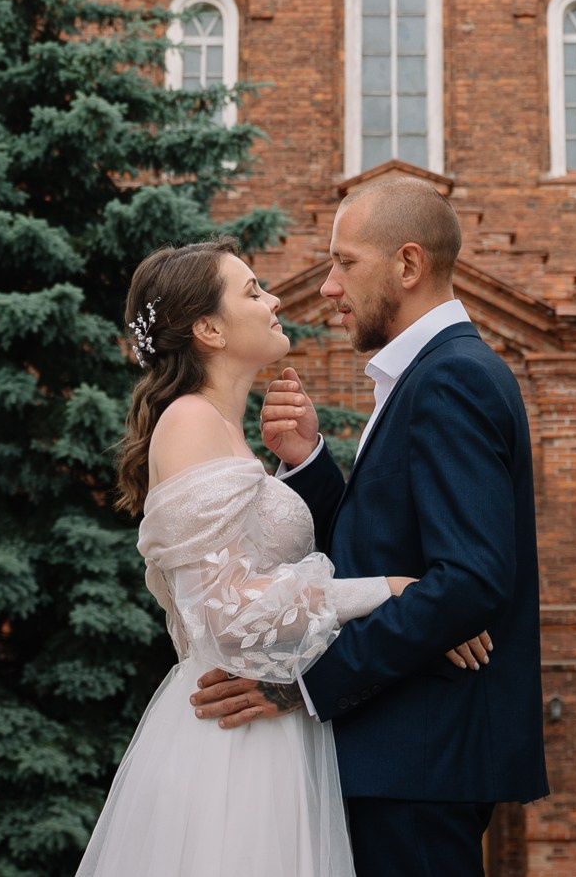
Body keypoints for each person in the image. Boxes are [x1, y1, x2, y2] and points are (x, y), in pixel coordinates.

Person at [77, 237, 483, 876]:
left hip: (276, 720)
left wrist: (302, 461)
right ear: (209, 329)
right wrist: (390, 590)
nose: (273, 300)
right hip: (236, 738)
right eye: (252, 290)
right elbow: (225, 615)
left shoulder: (223, 432)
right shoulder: (188, 421)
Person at [193, 175, 548, 877]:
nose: (328, 287)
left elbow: (471, 578)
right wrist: (312, 465)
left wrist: (302, 684)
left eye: (345, 263)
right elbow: (388, 546)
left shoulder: (452, 378)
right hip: (403, 759)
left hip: (417, 761)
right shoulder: (428, 374)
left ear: (408, 265)